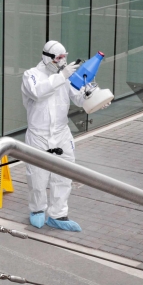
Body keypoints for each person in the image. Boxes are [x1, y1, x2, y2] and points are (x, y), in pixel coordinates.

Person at [21, 40, 85, 232]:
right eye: (58, 58)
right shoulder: (30, 75)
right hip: (38, 135)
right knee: (37, 177)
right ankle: (37, 210)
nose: (61, 61)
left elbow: (79, 99)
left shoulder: (65, 76)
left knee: (64, 175)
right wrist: (62, 76)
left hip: (61, 133)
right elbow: (38, 92)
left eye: (64, 57)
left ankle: (58, 214)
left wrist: (92, 96)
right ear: (46, 57)